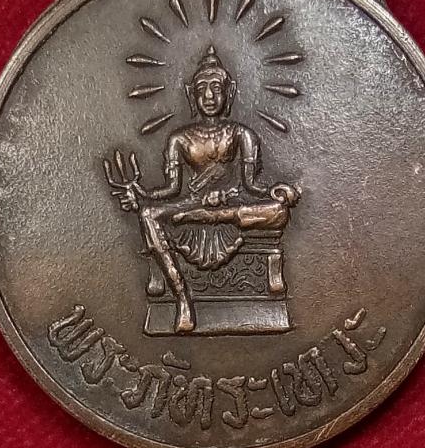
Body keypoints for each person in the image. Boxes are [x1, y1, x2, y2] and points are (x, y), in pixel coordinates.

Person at [108, 46, 299, 333]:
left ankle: (201, 218)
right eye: (202, 90)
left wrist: (279, 193)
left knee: (278, 211)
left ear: (229, 93)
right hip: (193, 204)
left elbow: (252, 186)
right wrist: (143, 196)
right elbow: (172, 190)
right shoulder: (179, 138)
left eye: (216, 89)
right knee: (147, 215)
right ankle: (182, 297)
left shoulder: (242, 134)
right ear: (191, 95)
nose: (209, 96)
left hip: (230, 207)